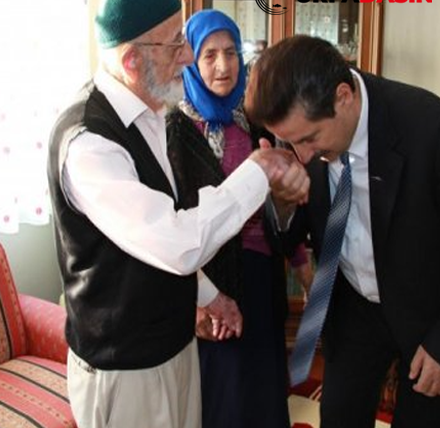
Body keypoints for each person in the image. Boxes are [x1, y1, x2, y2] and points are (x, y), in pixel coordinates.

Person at [46, 1, 300, 427]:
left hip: (175, 348)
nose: (187, 57)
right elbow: (176, 241)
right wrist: (259, 171)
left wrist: (208, 296)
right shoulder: (89, 143)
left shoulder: (152, 113)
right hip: (126, 368)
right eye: (175, 44)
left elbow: (156, 236)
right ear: (132, 60)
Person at [244, 35, 440, 428]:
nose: (302, 156)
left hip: (425, 308)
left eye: (309, 139)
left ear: (343, 97)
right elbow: (285, 239)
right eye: (289, 141)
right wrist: (282, 200)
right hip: (352, 307)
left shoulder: (427, 126)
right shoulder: (301, 134)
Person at [166, 9, 291, 428]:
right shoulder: (176, 129)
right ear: (191, 61)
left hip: (262, 274)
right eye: (210, 55)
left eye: (231, 52)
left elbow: (281, 196)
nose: (224, 65)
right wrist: (197, 298)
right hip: (214, 282)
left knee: (265, 389)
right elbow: (175, 221)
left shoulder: (255, 118)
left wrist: (301, 262)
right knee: (226, 396)